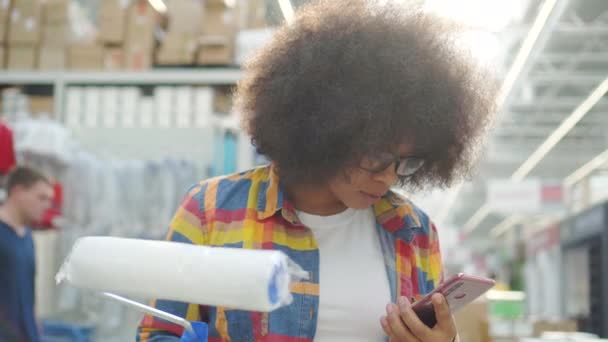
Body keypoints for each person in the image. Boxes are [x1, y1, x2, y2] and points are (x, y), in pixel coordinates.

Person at [137, 0, 494, 341]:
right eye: (376, 156)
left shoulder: (414, 232)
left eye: (407, 161)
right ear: (326, 129)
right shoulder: (211, 210)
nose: (388, 177)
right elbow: (157, 333)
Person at [0, 167, 53, 342]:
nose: (46, 205)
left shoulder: (27, 236)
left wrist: (34, 323)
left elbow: (28, 287)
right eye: (41, 198)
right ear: (18, 192)